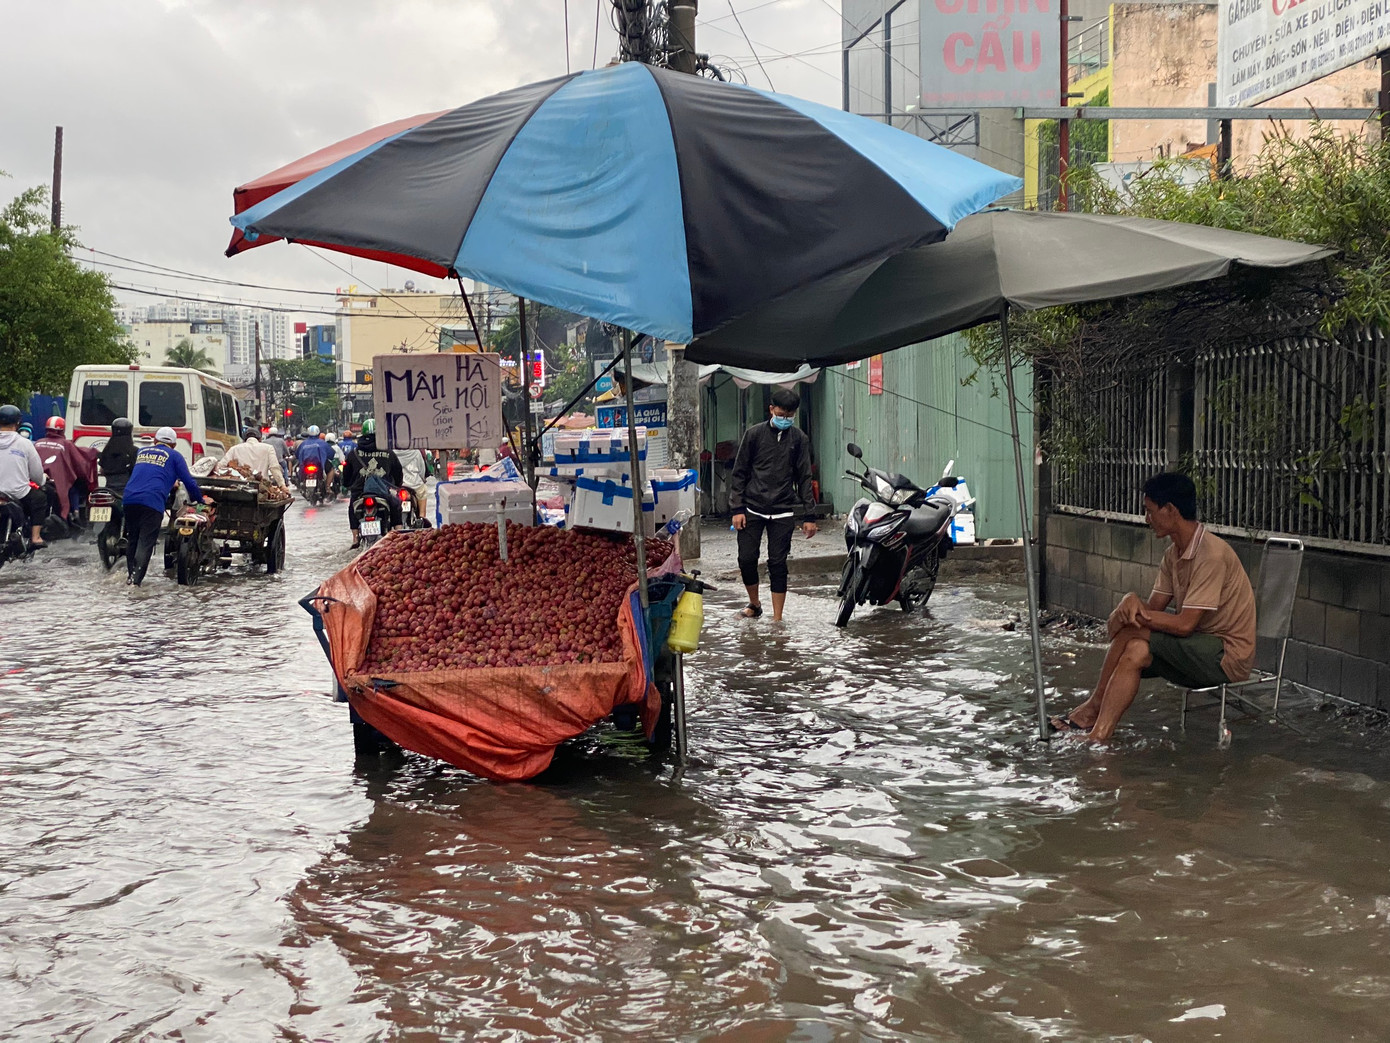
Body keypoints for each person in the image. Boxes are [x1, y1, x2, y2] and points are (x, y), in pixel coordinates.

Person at [1050, 472, 1257, 742]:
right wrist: (1129, 604)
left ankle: (1092, 708)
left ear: (1170, 510)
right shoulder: (1173, 554)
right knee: (1136, 649)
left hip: (1225, 655)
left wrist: (1130, 614)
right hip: (1198, 647)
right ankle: (1100, 734)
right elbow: (1151, 610)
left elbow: (1184, 625)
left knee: (1133, 632)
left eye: (1149, 511)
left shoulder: (1211, 554)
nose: (1146, 519)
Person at [729, 387, 818, 621]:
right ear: (771, 410)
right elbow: (739, 473)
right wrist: (737, 509)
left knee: (778, 563)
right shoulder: (754, 435)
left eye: (790, 416)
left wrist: (810, 516)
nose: (785, 419)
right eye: (781, 414)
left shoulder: (799, 439)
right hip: (752, 508)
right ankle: (755, 604)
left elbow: (804, 477)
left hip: (782, 511)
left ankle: (777, 619)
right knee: (746, 559)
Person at [121, 426, 213, 586]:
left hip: (129, 499)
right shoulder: (175, 456)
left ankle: (131, 577)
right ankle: (135, 584)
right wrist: (200, 500)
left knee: (133, 540)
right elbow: (189, 482)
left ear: (155, 441)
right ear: (174, 445)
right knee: (145, 542)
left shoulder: (141, 452)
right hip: (152, 501)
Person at [342, 418, 402, 548]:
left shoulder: (354, 453)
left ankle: (355, 537)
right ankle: (399, 534)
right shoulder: (388, 452)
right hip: (383, 492)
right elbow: (398, 472)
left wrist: (348, 485)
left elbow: (346, 476)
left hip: (360, 493)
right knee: (396, 505)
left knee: (352, 508)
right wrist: (397, 485)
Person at [0, 404, 49, 549]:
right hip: (18, 493)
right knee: (40, 498)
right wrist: (41, 481)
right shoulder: (25, 444)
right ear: (17, 423)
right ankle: (35, 537)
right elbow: (36, 474)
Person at [35, 416, 97, 525]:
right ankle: (76, 514)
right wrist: (93, 453)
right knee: (73, 488)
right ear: (62, 430)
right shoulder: (66, 444)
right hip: (56, 481)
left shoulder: (38, 443)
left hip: (36, 479)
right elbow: (80, 460)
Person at [221, 424, 287, 486]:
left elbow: (221, 466)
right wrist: (282, 485)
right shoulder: (268, 448)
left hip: (241, 486)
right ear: (260, 439)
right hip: (261, 487)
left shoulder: (234, 449)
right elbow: (274, 468)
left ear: (244, 439)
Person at [98, 417, 139, 495]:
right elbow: (136, 472)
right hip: (127, 490)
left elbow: (101, 470)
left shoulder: (107, 450)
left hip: (109, 490)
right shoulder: (134, 451)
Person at [393, 444, 432, 518]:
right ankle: (422, 518)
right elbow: (421, 470)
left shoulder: (391, 453)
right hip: (414, 484)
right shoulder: (416, 452)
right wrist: (423, 479)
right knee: (423, 492)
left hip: (397, 485)